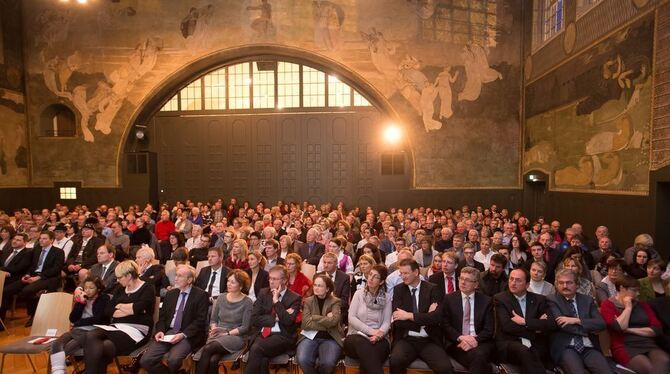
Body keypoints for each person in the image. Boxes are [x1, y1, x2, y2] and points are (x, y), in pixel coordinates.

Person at [83, 260, 156, 374]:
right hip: (116, 327)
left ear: (129, 275)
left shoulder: (147, 288)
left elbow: (137, 308)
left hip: (137, 330)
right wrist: (130, 309)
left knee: (102, 346)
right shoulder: (120, 289)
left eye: (120, 277)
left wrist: (120, 306)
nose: (117, 280)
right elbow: (109, 310)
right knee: (92, 335)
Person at [141, 264, 209, 373]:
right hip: (169, 333)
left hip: (187, 334)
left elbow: (200, 321)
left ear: (189, 280)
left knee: (173, 360)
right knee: (146, 360)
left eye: (180, 276)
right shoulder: (171, 294)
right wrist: (160, 331)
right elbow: (162, 318)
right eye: (176, 275)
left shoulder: (201, 295)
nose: (176, 278)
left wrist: (182, 335)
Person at [389, 258, 453, 374]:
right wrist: (426, 317)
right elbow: (398, 321)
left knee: (445, 369)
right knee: (395, 361)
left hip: (429, 339)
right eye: (401, 273)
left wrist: (409, 315)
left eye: (406, 273)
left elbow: (436, 318)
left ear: (416, 272)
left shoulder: (432, 289)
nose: (403, 277)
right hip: (406, 339)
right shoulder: (399, 290)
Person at [601, 275, 670, 374]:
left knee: (665, 360)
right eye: (634, 290)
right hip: (624, 346)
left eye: (638, 290)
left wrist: (629, 330)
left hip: (647, 344)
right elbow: (619, 327)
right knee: (648, 368)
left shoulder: (642, 305)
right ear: (622, 288)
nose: (638, 294)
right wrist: (628, 307)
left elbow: (657, 329)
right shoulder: (608, 305)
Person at [547, 269, 611, 374]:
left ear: (577, 284)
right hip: (566, 347)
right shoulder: (552, 300)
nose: (564, 286)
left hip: (589, 346)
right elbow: (563, 325)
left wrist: (577, 320)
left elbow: (601, 324)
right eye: (561, 283)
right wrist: (589, 328)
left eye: (569, 282)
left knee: (606, 371)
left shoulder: (587, 300)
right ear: (556, 285)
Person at [494, 268, 557, 374]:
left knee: (533, 354)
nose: (513, 283)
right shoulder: (501, 299)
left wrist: (525, 322)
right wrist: (536, 327)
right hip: (511, 343)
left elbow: (551, 324)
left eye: (518, 280)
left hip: (535, 344)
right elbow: (507, 326)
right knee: (525, 352)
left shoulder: (539, 300)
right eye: (511, 279)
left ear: (527, 284)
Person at [244, 265, 302, 374]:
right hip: (262, 333)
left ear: (284, 280)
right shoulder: (263, 293)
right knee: (262, 358)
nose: (271, 282)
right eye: (270, 278)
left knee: (256, 348)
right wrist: (275, 318)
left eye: (274, 279)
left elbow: (288, 321)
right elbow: (254, 319)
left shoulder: (295, 298)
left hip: (283, 336)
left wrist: (276, 301)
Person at [196, 269, 253, 374]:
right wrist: (214, 329)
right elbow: (213, 320)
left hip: (236, 336)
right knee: (213, 360)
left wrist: (226, 333)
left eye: (233, 282)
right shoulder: (221, 298)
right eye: (228, 281)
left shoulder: (247, 302)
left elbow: (245, 327)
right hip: (218, 334)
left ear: (241, 286)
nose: (228, 284)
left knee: (208, 349)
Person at [50, 276, 111, 374]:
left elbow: (98, 319)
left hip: (92, 331)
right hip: (77, 330)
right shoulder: (82, 298)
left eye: (91, 288)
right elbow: (72, 318)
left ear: (98, 289)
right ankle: (58, 372)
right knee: (56, 344)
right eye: (86, 288)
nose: (88, 290)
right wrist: (81, 303)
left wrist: (78, 323)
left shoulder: (103, 298)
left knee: (67, 348)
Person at [440, 266, 495, 374]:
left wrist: (475, 340)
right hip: (457, 342)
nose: (463, 282)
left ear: (476, 284)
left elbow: (489, 329)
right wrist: (461, 337)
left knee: (479, 356)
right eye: (461, 278)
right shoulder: (449, 299)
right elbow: (445, 325)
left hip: (480, 342)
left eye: (468, 280)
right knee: (480, 360)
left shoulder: (486, 301)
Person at [344, 264, 392, 374]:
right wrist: (371, 332)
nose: (370, 278)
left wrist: (379, 335)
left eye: (375, 277)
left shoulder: (387, 297)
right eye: (370, 274)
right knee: (364, 345)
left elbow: (386, 322)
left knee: (370, 357)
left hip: (380, 338)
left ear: (381, 282)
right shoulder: (358, 294)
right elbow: (351, 318)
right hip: (356, 336)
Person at [296, 274, 343, 374]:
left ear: (327, 289)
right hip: (310, 336)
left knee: (328, 363)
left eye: (320, 286)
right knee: (302, 359)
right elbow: (306, 324)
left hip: (330, 337)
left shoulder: (335, 301)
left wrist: (314, 317)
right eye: (315, 285)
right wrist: (326, 320)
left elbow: (334, 321)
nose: (316, 288)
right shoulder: (308, 301)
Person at [318, 252, 351, 322]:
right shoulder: (318, 276)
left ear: (336, 264)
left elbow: (344, 301)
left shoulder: (344, 278)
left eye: (329, 263)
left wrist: (332, 310)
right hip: (320, 309)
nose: (326, 265)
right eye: (324, 262)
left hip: (337, 310)